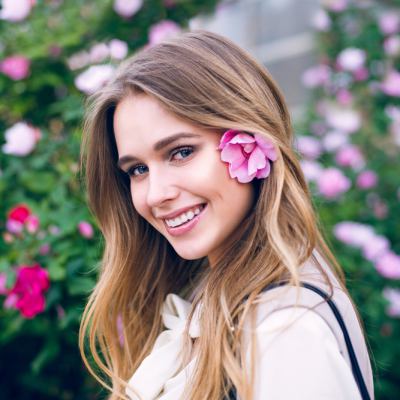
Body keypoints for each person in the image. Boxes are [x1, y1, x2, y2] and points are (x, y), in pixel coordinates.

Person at [79, 30, 374, 400]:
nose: (156, 194)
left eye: (181, 152)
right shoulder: (219, 302)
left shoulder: (284, 331)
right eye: (137, 170)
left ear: (252, 141)